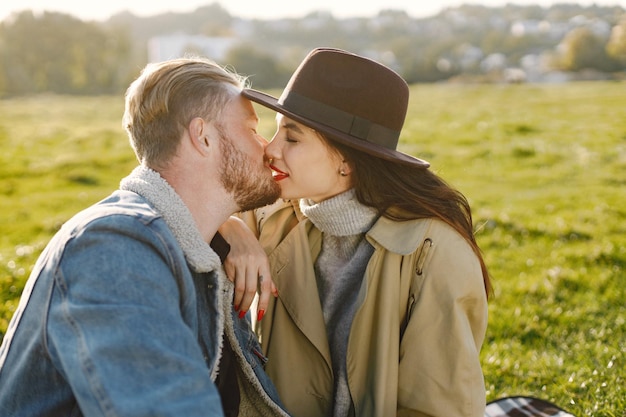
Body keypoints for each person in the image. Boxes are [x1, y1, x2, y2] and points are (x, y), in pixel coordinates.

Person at [0, 57, 290, 417]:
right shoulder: (111, 248)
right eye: (252, 129)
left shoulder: (203, 252)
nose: (268, 147)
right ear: (203, 137)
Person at [220, 48, 492, 417]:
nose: (271, 149)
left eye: (293, 138)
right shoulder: (274, 216)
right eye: (275, 131)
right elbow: (175, 199)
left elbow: (436, 407)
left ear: (346, 160)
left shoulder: (433, 254)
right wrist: (232, 227)